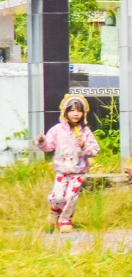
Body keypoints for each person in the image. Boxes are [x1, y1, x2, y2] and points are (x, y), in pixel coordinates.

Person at [35, 94, 100, 233]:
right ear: (65, 112)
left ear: (84, 113)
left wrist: (84, 146)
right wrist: (42, 141)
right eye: (72, 110)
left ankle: (65, 220)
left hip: (78, 171)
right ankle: (55, 210)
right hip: (62, 170)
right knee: (58, 196)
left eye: (79, 111)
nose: (76, 114)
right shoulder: (57, 130)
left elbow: (95, 150)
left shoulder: (85, 132)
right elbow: (49, 146)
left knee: (71, 197)